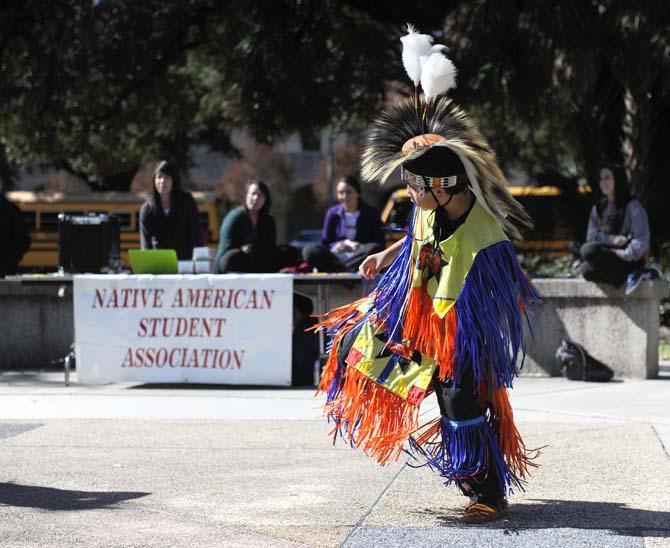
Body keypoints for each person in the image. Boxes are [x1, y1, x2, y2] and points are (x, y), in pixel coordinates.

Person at [313, 28, 540, 523]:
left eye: (415, 186)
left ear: (444, 185)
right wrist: (385, 254)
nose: (409, 194)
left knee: (461, 399)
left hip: (462, 331)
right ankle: (474, 475)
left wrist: (455, 344)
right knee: (360, 342)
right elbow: (419, 232)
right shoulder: (430, 206)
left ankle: (488, 492)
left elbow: (494, 297)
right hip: (420, 312)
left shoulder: (486, 236)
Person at [579, 164, 650, 289]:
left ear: (618, 180)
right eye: (601, 179)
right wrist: (612, 240)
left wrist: (622, 253)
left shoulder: (633, 206)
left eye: (607, 178)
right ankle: (624, 279)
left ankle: (636, 273)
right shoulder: (599, 208)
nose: (603, 182)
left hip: (630, 259)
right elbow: (591, 236)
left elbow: (641, 240)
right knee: (585, 270)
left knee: (587, 250)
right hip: (609, 256)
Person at [303, 175, 385, 272]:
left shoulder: (371, 213)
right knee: (309, 250)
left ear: (357, 193)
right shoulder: (332, 213)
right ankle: (346, 270)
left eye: (349, 192)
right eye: (341, 193)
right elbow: (325, 242)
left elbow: (379, 242)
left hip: (359, 255)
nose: (344, 196)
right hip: (336, 256)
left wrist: (359, 246)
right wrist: (340, 244)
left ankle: (339, 270)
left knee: (375, 248)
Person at [139, 161, 203, 260]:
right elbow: (146, 246)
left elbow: (197, 238)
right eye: (159, 177)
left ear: (175, 180)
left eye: (167, 178)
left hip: (185, 264)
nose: (162, 181)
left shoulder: (187, 203)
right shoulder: (147, 209)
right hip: (159, 265)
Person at [215, 180, 278, 273]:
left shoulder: (268, 220)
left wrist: (254, 249)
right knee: (231, 258)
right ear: (246, 195)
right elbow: (226, 249)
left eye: (260, 195)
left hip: (259, 261)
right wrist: (243, 249)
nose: (255, 198)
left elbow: (270, 247)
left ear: (266, 199)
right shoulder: (235, 217)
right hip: (237, 263)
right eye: (253, 194)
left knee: (285, 252)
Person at [0, 184, 31, 276]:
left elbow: (23, 241)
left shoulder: (11, 211)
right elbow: (24, 242)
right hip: (6, 268)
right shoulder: (12, 210)